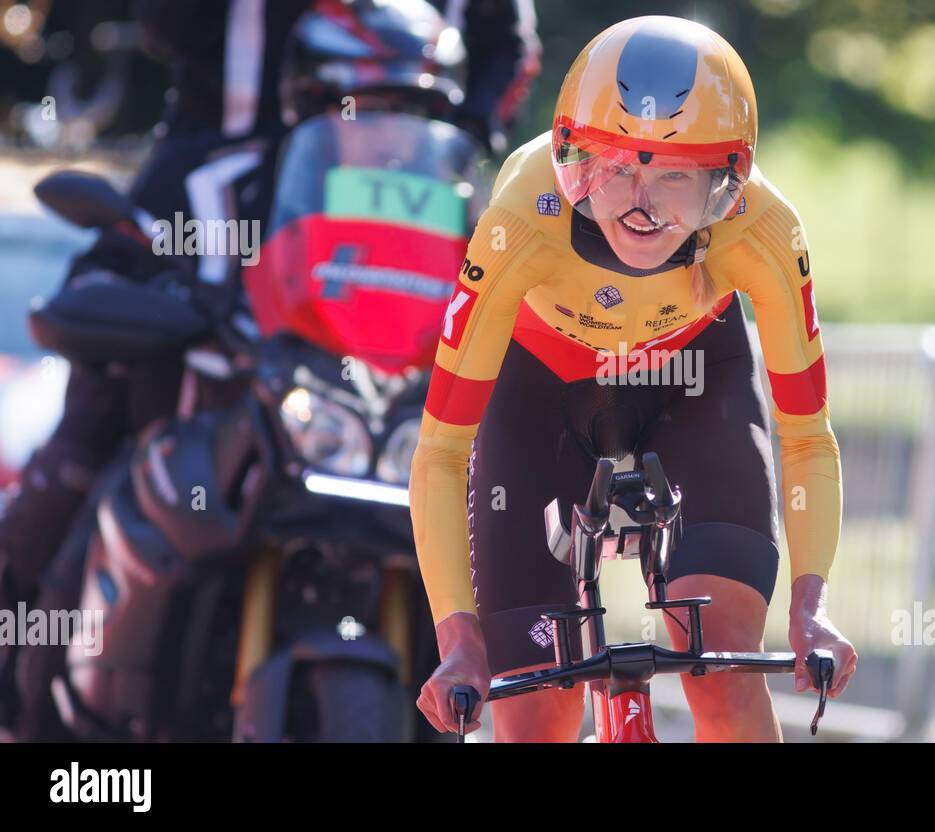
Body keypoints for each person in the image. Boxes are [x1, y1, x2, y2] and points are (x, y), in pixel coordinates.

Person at [0, 0, 539, 739]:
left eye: (392, 106)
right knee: (97, 415)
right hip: (214, 155)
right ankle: (23, 663)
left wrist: (461, 151)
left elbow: (507, 49)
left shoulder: (465, 201)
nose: (372, 116)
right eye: (366, 105)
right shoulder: (213, 187)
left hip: (421, 194)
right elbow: (167, 26)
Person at [411, 15, 858, 742]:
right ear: (570, 158)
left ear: (728, 181)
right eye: (616, 166)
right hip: (538, 395)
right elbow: (439, 453)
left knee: (721, 671)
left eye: (676, 176)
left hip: (695, 382)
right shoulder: (522, 217)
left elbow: (807, 436)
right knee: (535, 714)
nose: (642, 206)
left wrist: (811, 606)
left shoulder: (764, 228)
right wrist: (458, 639)